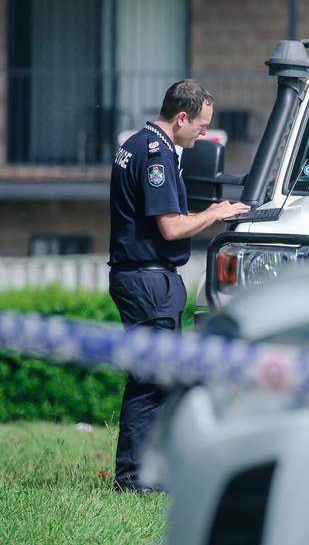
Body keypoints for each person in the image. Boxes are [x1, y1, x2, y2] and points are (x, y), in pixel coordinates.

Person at [108, 79, 250, 492]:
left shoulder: (138, 143)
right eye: (201, 126)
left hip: (143, 277)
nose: (204, 134)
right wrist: (216, 213)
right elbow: (171, 227)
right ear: (182, 117)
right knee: (151, 381)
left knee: (153, 376)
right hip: (148, 279)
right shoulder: (156, 155)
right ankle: (134, 479)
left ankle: (145, 471)